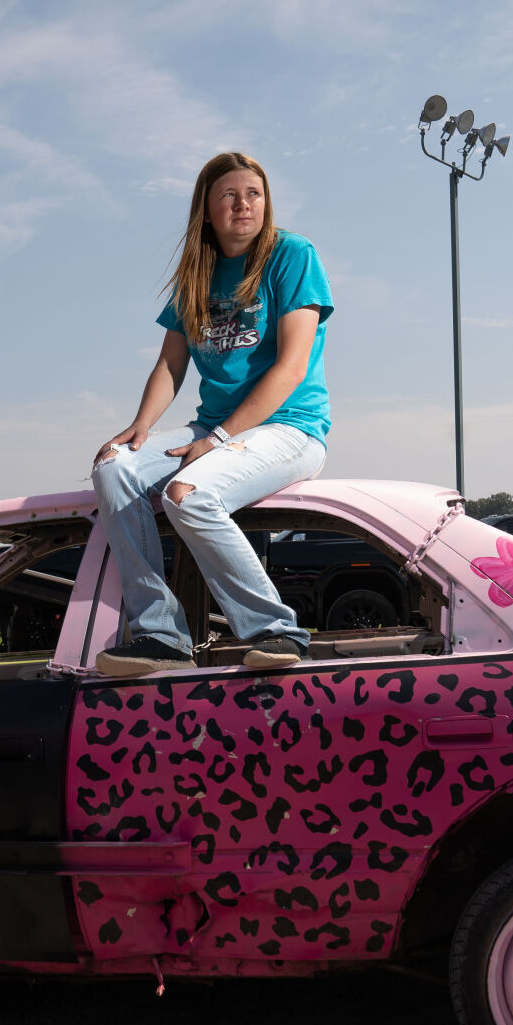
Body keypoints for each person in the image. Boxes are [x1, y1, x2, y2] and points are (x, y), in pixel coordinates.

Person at [92, 151, 333, 676]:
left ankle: (277, 630)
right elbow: (171, 363)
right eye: (228, 195)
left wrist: (220, 437)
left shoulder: (292, 255)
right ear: (206, 209)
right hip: (214, 429)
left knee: (188, 495)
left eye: (254, 194)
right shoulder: (197, 274)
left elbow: (291, 368)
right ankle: (160, 634)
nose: (243, 205)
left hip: (289, 428)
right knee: (113, 465)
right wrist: (141, 427)